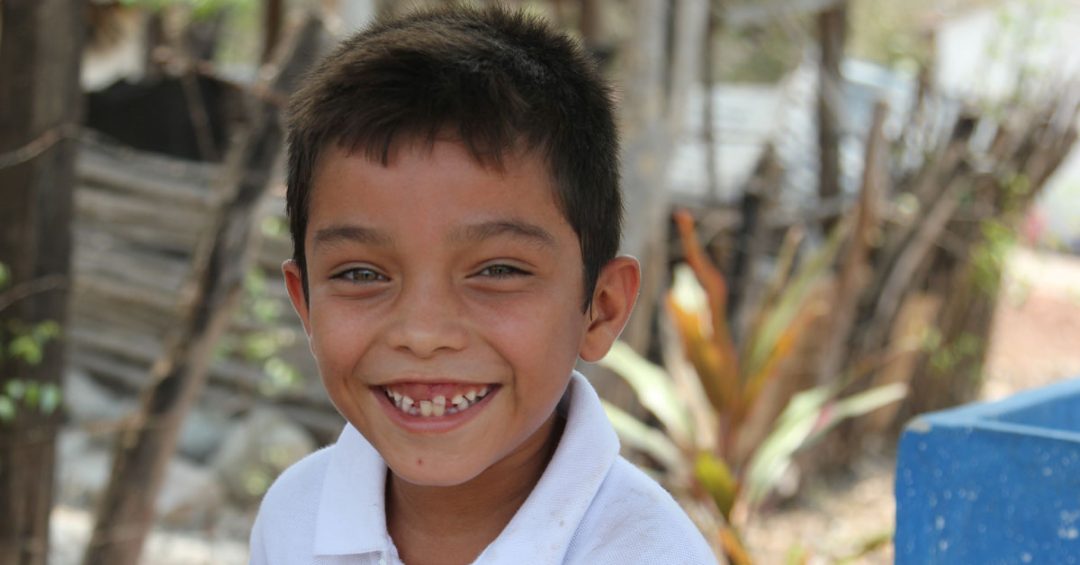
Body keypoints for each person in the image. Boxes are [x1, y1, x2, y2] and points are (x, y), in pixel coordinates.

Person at [249, 5, 717, 564]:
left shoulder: (649, 553)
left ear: (601, 307)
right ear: (305, 305)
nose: (423, 334)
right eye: (361, 274)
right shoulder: (295, 517)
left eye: (498, 271)